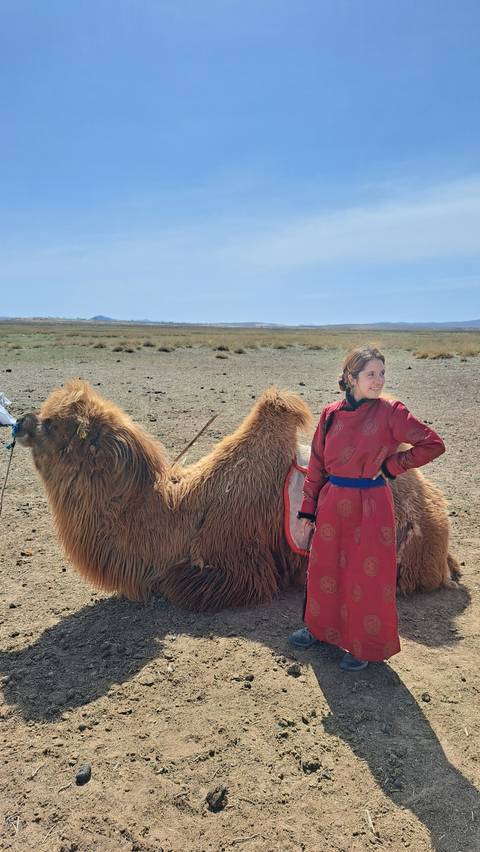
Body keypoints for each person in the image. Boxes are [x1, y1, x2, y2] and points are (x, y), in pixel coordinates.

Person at [289, 344, 445, 672]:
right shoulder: (331, 414)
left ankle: (363, 646)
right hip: (333, 502)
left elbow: (432, 444)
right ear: (350, 377)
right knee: (324, 569)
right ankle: (319, 630)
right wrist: (307, 510)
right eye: (370, 374)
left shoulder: (391, 412)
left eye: (382, 374)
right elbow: (317, 463)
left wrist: (392, 466)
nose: (378, 381)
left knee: (367, 576)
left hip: (371, 505)